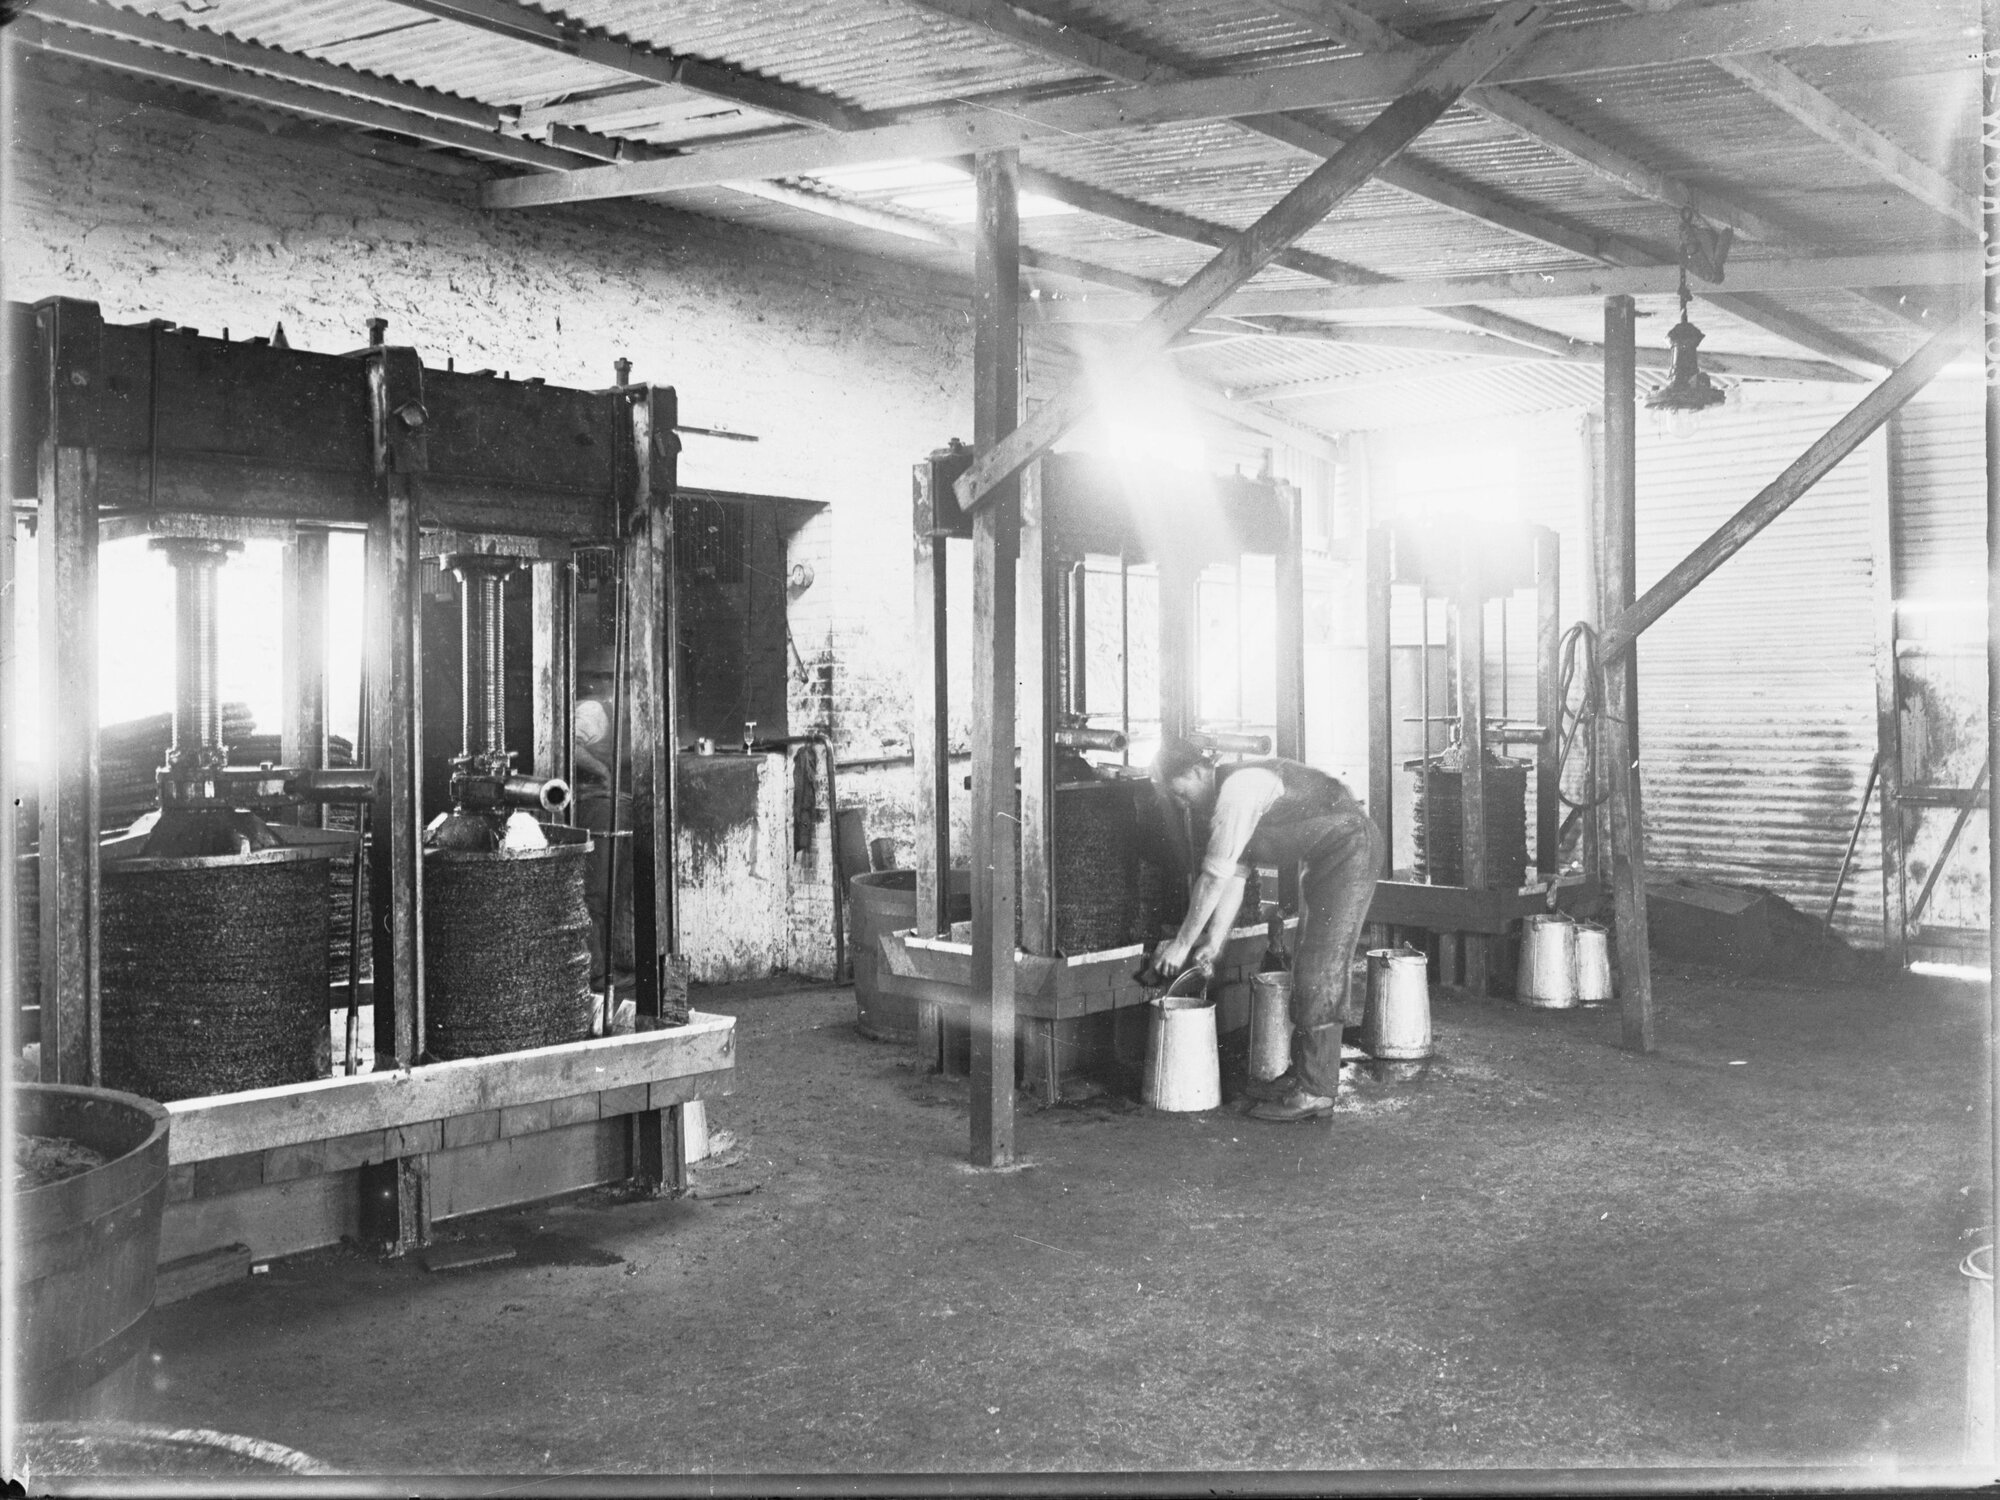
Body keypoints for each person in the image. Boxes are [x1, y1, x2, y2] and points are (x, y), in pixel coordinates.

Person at [1150, 738, 1382, 1123]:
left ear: (1195, 772)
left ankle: (1316, 1092)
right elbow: (1235, 876)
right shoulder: (1223, 801)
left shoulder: (1237, 791)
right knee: (1307, 958)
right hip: (1329, 856)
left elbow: (1212, 879)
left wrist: (1182, 943)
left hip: (1351, 849)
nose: (1181, 803)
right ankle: (1304, 1075)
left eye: (1179, 792)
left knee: (1320, 966)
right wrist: (1214, 940)